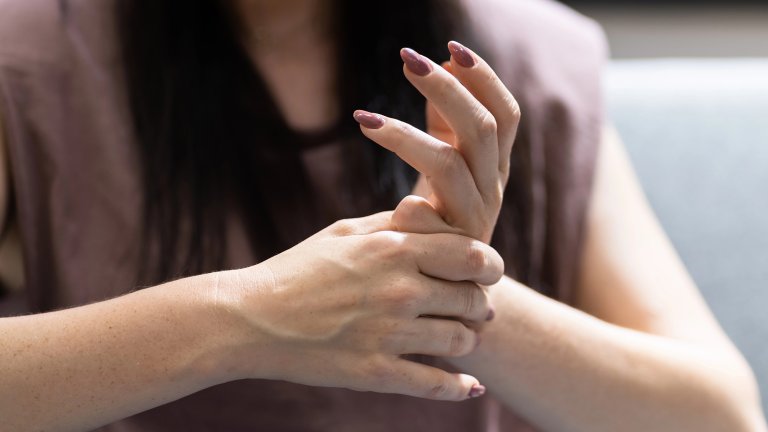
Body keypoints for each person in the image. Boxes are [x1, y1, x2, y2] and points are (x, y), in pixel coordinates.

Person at [0, 0, 764, 430]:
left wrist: (449, 291)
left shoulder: (518, 61)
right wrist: (240, 317)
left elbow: (719, 416)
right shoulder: (29, 60)